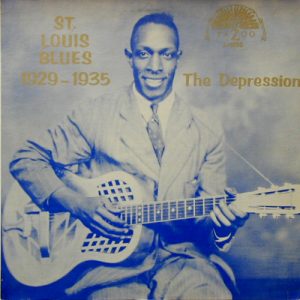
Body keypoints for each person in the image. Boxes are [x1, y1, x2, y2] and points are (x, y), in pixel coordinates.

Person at [10, 12, 248, 299]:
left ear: (177, 58)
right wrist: (76, 203)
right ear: (130, 57)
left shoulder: (206, 129)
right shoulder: (96, 114)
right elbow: (26, 158)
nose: (155, 66)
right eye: (144, 54)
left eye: (166, 54)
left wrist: (223, 227)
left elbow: (204, 229)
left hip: (183, 262)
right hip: (110, 269)